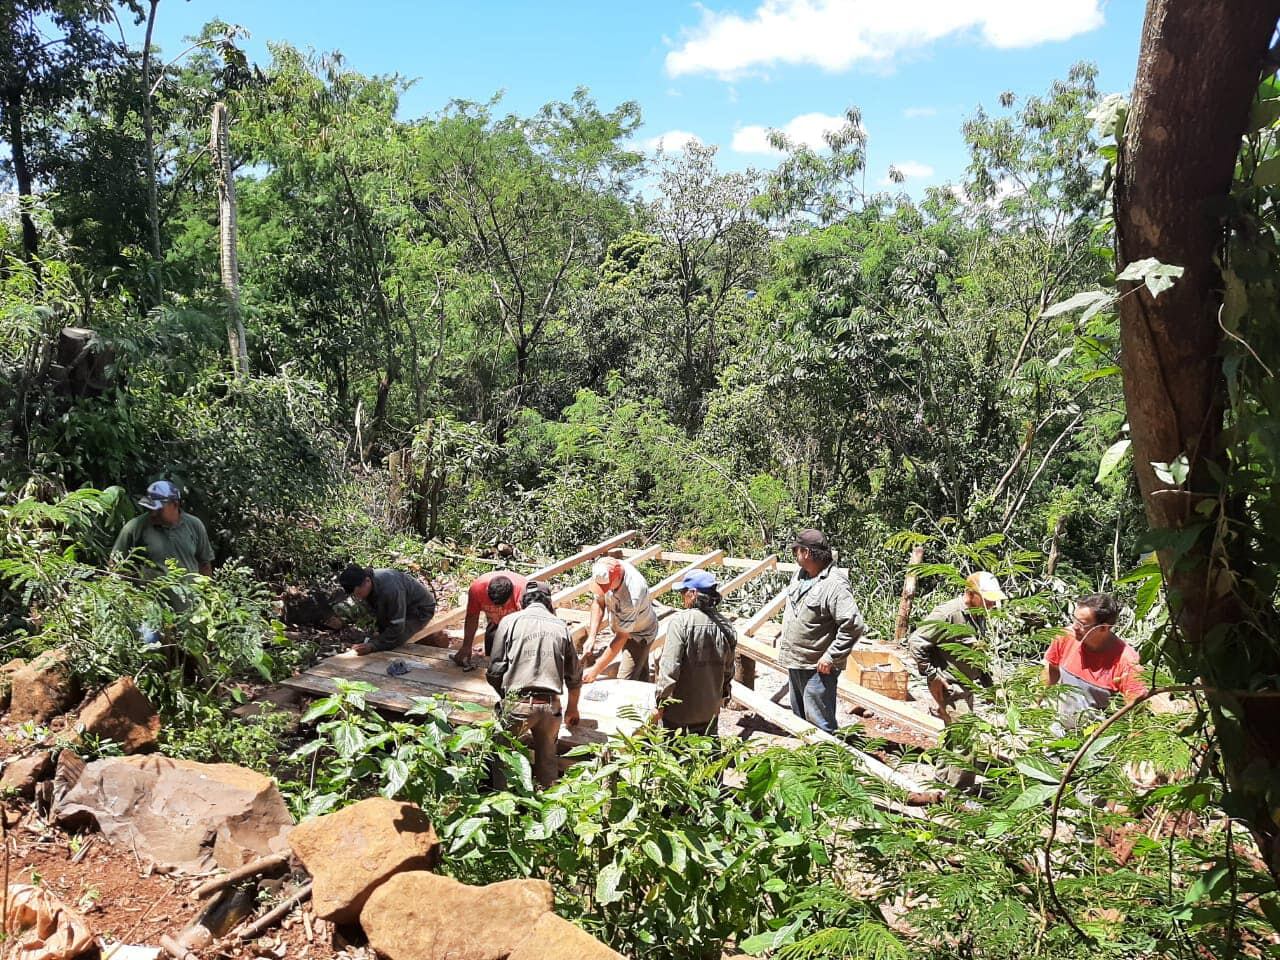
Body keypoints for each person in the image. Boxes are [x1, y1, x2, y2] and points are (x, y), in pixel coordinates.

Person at [486, 580, 582, 788]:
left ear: (521, 603)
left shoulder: (509, 622)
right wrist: (573, 707)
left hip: (518, 703)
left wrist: (505, 697)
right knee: (548, 764)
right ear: (549, 604)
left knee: (502, 757)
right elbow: (574, 674)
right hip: (550, 707)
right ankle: (547, 809)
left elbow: (495, 669)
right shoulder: (561, 627)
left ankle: (502, 808)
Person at [780, 529, 867, 734]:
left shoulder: (834, 584)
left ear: (807, 553)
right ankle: (804, 763)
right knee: (799, 721)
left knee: (820, 725)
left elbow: (853, 625)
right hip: (797, 661)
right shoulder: (800, 576)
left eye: (797, 550)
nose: (795, 555)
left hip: (818, 669)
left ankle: (826, 763)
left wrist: (831, 656)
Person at [908, 571, 1007, 723]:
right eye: (988, 600)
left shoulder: (979, 615)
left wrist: (989, 687)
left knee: (955, 735)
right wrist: (932, 675)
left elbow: (977, 654)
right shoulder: (948, 613)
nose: (992, 605)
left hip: (967, 685)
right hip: (949, 686)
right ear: (971, 593)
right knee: (965, 734)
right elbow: (916, 641)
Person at [1041, 592, 1148, 727]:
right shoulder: (1065, 637)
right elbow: (1051, 670)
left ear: (1103, 627)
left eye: (1082, 624)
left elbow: (1136, 711)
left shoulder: (1127, 662)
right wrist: (1034, 704)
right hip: (1058, 728)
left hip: (1095, 741)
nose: (1074, 627)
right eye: (1074, 619)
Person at [653, 570, 737, 736]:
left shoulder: (680, 623)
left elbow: (670, 668)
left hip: (679, 714)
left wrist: (660, 702)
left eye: (683, 593)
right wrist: (721, 699)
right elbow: (728, 671)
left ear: (693, 594)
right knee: (707, 756)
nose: (682, 598)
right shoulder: (726, 627)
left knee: (674, 756)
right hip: (709, 712)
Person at [111, 480, 214, 578]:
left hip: (189, 595)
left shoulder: (194, 525)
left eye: (158, 509)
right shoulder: (135, 527)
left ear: (175, 505)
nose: (153, 513)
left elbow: (204, 564)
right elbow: (115, 565)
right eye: (150, 508)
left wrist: (207, 593)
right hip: (150, 595)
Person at [582, 556, 659, 683]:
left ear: (617, 578)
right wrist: (592, 636)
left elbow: (622, 636)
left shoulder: (633, 593)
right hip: (624, 627)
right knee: (639, 675)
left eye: (607, 587)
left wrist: (595, 670)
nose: (604, 590)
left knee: (624, 681)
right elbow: (599, 603)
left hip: (639, 634)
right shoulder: (605, 568)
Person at [337, 563, 437, 656]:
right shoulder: (369, 583)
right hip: (402, 607)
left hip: (420, 610)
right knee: (382, 636)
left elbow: (397, 627)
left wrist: (373, 646)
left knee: (397, 639)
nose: (358, 598)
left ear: (367, 581)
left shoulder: (390, 589)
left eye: (359, 594)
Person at [450, 571, 528, 669]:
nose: (499, 609)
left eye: (502, 605)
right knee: (492, 661)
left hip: (519, 625)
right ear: (487, 591)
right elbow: (472, 617)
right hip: (494, 623)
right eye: (495, 605)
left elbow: (530, 624)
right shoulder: (477, 590)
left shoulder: (523, 592)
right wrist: (466, 646)